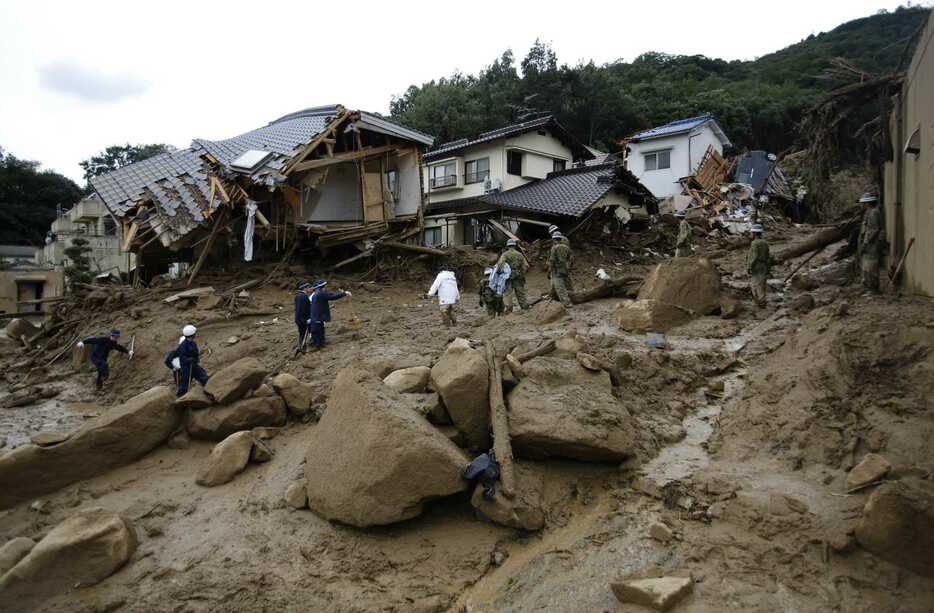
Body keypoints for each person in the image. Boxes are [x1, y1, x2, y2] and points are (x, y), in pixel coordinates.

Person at [164, 325, 209, 397]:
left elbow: (195, 354)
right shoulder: (183, 346)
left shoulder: (192, 343)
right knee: (184, 386)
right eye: (195, 333)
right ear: (192, 334)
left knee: (204, 378)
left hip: (193, 365)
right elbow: (182, 358)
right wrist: (174, 367)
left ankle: (210, 391)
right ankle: (182, 400)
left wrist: (195, 359)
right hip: (186, 368)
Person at [308, 280, 350, 351]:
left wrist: (342, 293)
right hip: (318, 316)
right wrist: (344, 293)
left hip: (316, 316)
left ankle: (320, 344)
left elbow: (330, 294)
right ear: (323, 287)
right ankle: (318, 346)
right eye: (325, 286)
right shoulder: (321, 293)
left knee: (320, 330)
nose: (326, 288)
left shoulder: (318, 293)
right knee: (318, 331)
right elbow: (332, 297)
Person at [857, 193, 883, 293]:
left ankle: (873, 289)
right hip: (867, 244)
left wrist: (865, 243)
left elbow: (874, 230)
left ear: (868, 203)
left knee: (871, 267)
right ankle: (868, 288)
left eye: (864, 203)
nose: (862, 205)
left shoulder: (873, 213)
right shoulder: (869, 212)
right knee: (866, 267)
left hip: (871, 245)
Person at [496, 239, 529, 311]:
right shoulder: (519, 254)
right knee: (520, 292)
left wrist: (500, 273)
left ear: (507, 246)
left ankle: (509, 309)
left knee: (508, 293)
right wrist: (522, 273)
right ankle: (525, 307)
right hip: (518, 276)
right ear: (514, 246)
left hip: (508, 277)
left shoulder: (505, 254)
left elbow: (500, 264)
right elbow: (526, 266)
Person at [746, 224, 772, 308]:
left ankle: (760, 302)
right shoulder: (765, 242)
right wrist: (768, 268)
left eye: (751, 232)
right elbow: (768, 256)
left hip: (756, 266)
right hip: (764, 265)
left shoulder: (754, 243)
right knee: (762, 284)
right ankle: (762, 301)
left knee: (755, 284)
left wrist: (749, 266)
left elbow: (754, 256)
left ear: (754, 233)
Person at [548, 232, 574, 308]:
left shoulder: (554, 248)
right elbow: (572, 259)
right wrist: (570, 267)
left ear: (554, 240)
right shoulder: (566, 247)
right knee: (568, 284)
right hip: (565, 269)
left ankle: (567, 303)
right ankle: (574, 296)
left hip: (557, 270)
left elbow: (552, 261)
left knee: (560, 287)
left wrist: (549, 271)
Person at [294, 281, 313, 353]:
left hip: (300, 319)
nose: (310, 288)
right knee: (303, 333)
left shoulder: (299, 296)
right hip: (302, 319)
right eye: (308, 287)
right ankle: (302, 348)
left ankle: (302, 347)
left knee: (302, 333)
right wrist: (305, 320)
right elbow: (300, 310)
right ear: (305, 288)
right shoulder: (302, 296)